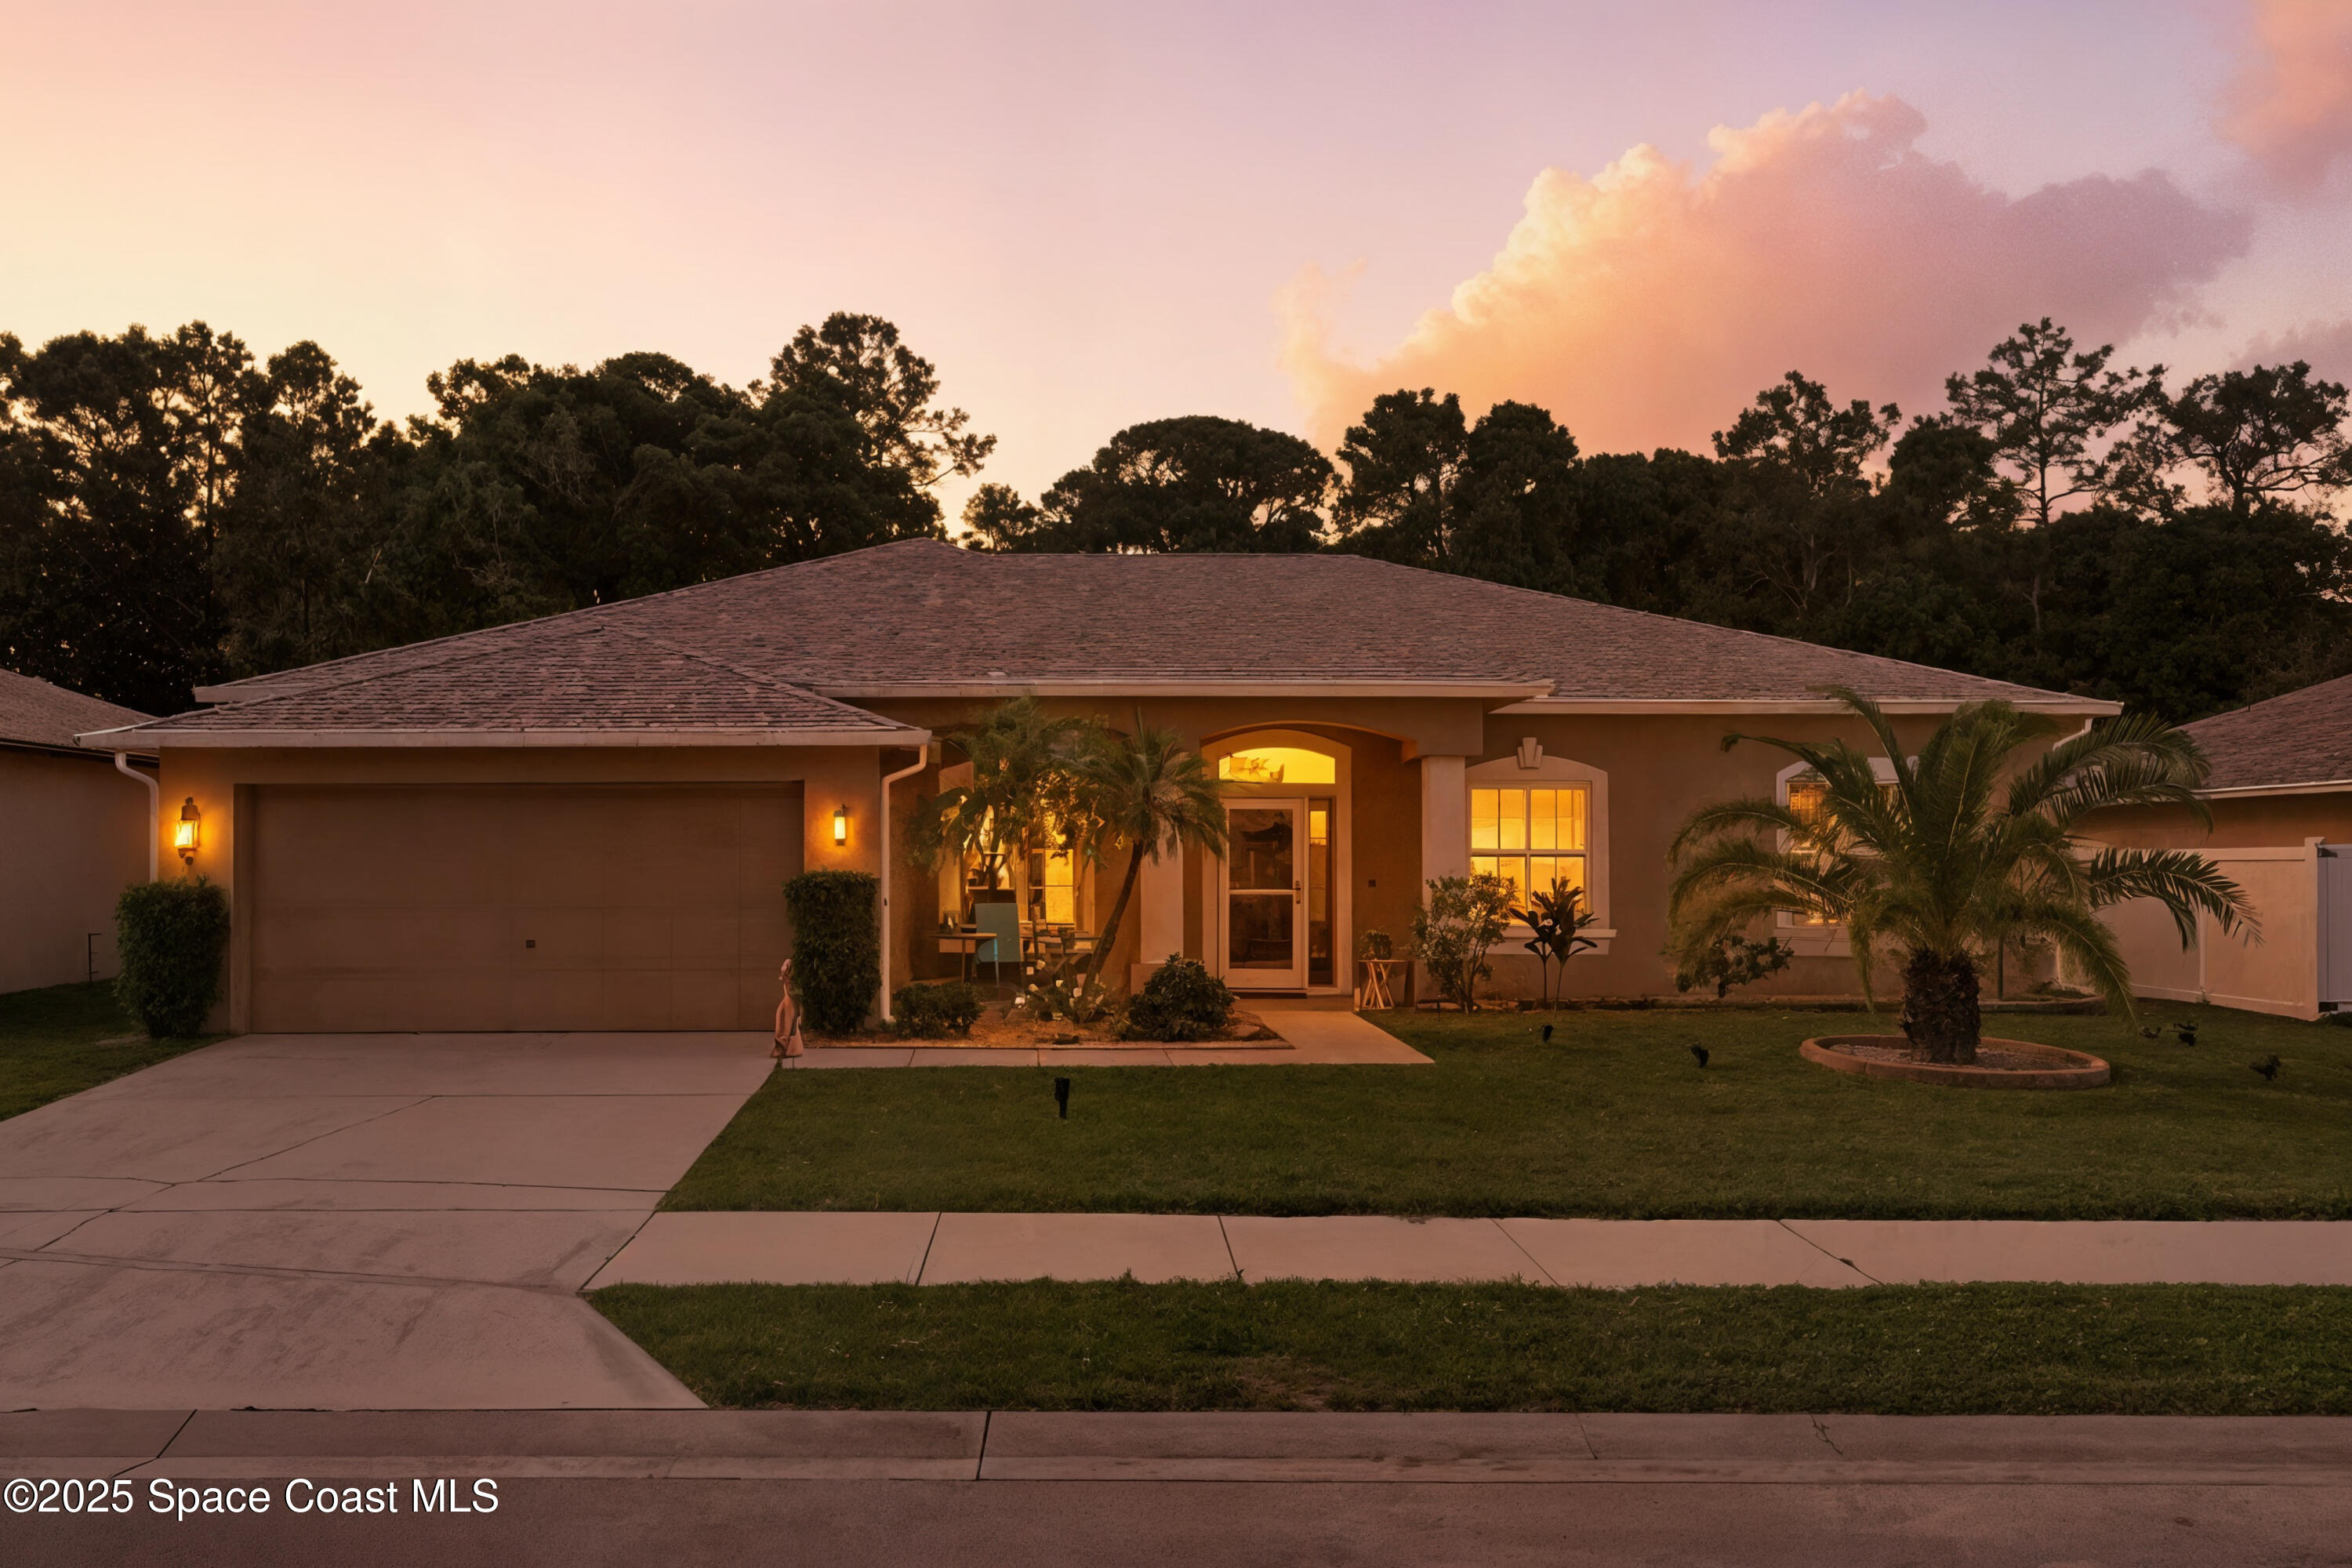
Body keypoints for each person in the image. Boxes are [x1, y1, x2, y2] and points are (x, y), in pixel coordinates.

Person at [772, 957, 805, 1062]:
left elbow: (796, 993)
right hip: (788, 1002)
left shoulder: (794, 984)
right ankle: (784, 1046)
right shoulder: (788, 981)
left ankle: (785, 1046)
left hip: (792, 1003)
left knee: (789, 1024)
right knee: (783, 1019)